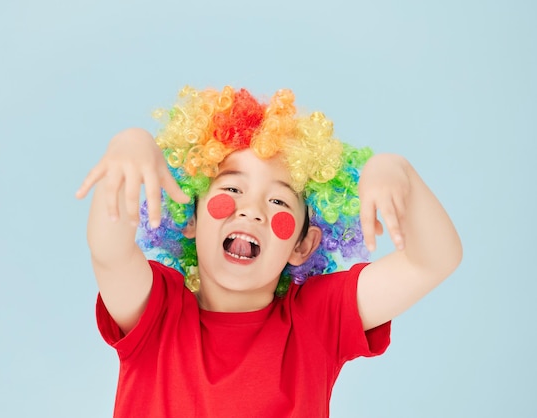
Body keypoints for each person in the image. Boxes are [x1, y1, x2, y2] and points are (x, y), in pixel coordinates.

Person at [75, 86, 462, 417]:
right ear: (190, 220)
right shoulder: (156, 312)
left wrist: (400, 172)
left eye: (278, 201)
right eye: (231, 190)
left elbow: (434, 260)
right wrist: (129, 148)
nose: (252, 211)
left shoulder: (317, 319)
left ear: (302, 245)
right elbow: (109, 253)